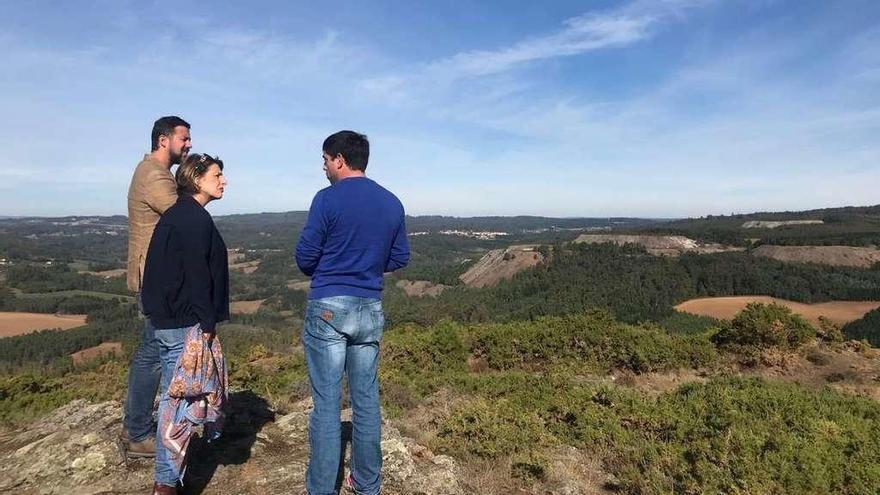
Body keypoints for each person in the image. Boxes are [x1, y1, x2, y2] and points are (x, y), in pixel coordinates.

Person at [296, 131, 410, 495]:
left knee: (327, 406)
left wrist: (335, 265)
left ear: (340, 160)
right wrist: (368, 266)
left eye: (326, 160)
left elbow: (305, 258)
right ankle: (367, 486)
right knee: (366, 402)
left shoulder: (327, 199)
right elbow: (400, 256)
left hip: (329, 306)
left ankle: (322, 489)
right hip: (369, 306)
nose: (325, 167)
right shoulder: (391, 202)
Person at [140, 153, 230, 494]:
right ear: (196, 178)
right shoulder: (194, 219)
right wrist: (206, 322)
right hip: (184, 323)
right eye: (217, 174)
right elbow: (197, 275)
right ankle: (165, 483)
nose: (223, 181)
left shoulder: (179, 215)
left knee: (173, 397)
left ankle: (169, 475)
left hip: (169, 320)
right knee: (178, 403)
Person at [121, 116, 191, 458]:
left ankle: (134, 425)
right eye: (184, 138)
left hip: (154, 276)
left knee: (151, 352)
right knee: (154, 355)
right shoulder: (153, 175)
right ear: (164, 140)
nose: (189, 144)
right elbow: (183, 215)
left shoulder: (153, 172)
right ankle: (137, 432)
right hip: (155, 278)